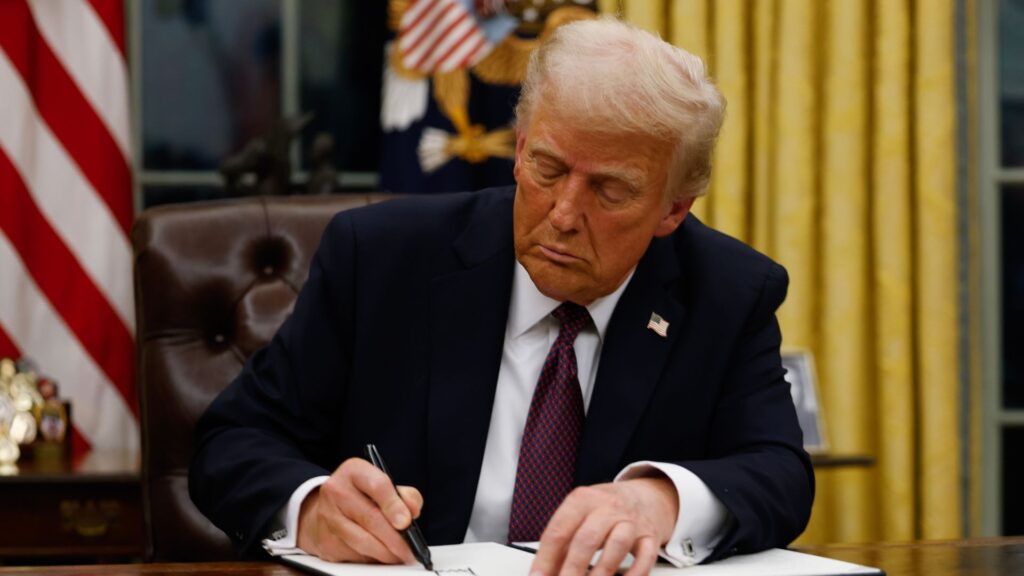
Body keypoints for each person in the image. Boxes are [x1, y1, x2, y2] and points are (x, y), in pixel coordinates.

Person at [189, 16, 813, 576]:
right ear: (518, 151)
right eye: (547, 169)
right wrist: (314, 505)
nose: (564, 215)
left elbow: (780, 474)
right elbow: (232, 442)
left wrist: (659, 499)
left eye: (611, 192)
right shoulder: (382, 260)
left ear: (673, 209)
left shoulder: (728, 292)